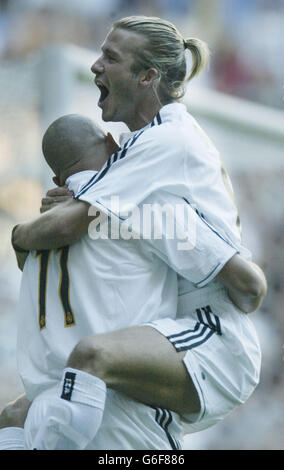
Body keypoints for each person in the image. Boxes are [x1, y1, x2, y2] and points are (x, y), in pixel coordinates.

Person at [4, 110, 265, 450]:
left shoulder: (37, 238)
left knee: (10, 417)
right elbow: (250, 286)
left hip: (50, 405)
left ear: (57, 180)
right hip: (120, 414)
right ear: (114, 145)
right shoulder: (147, 208)